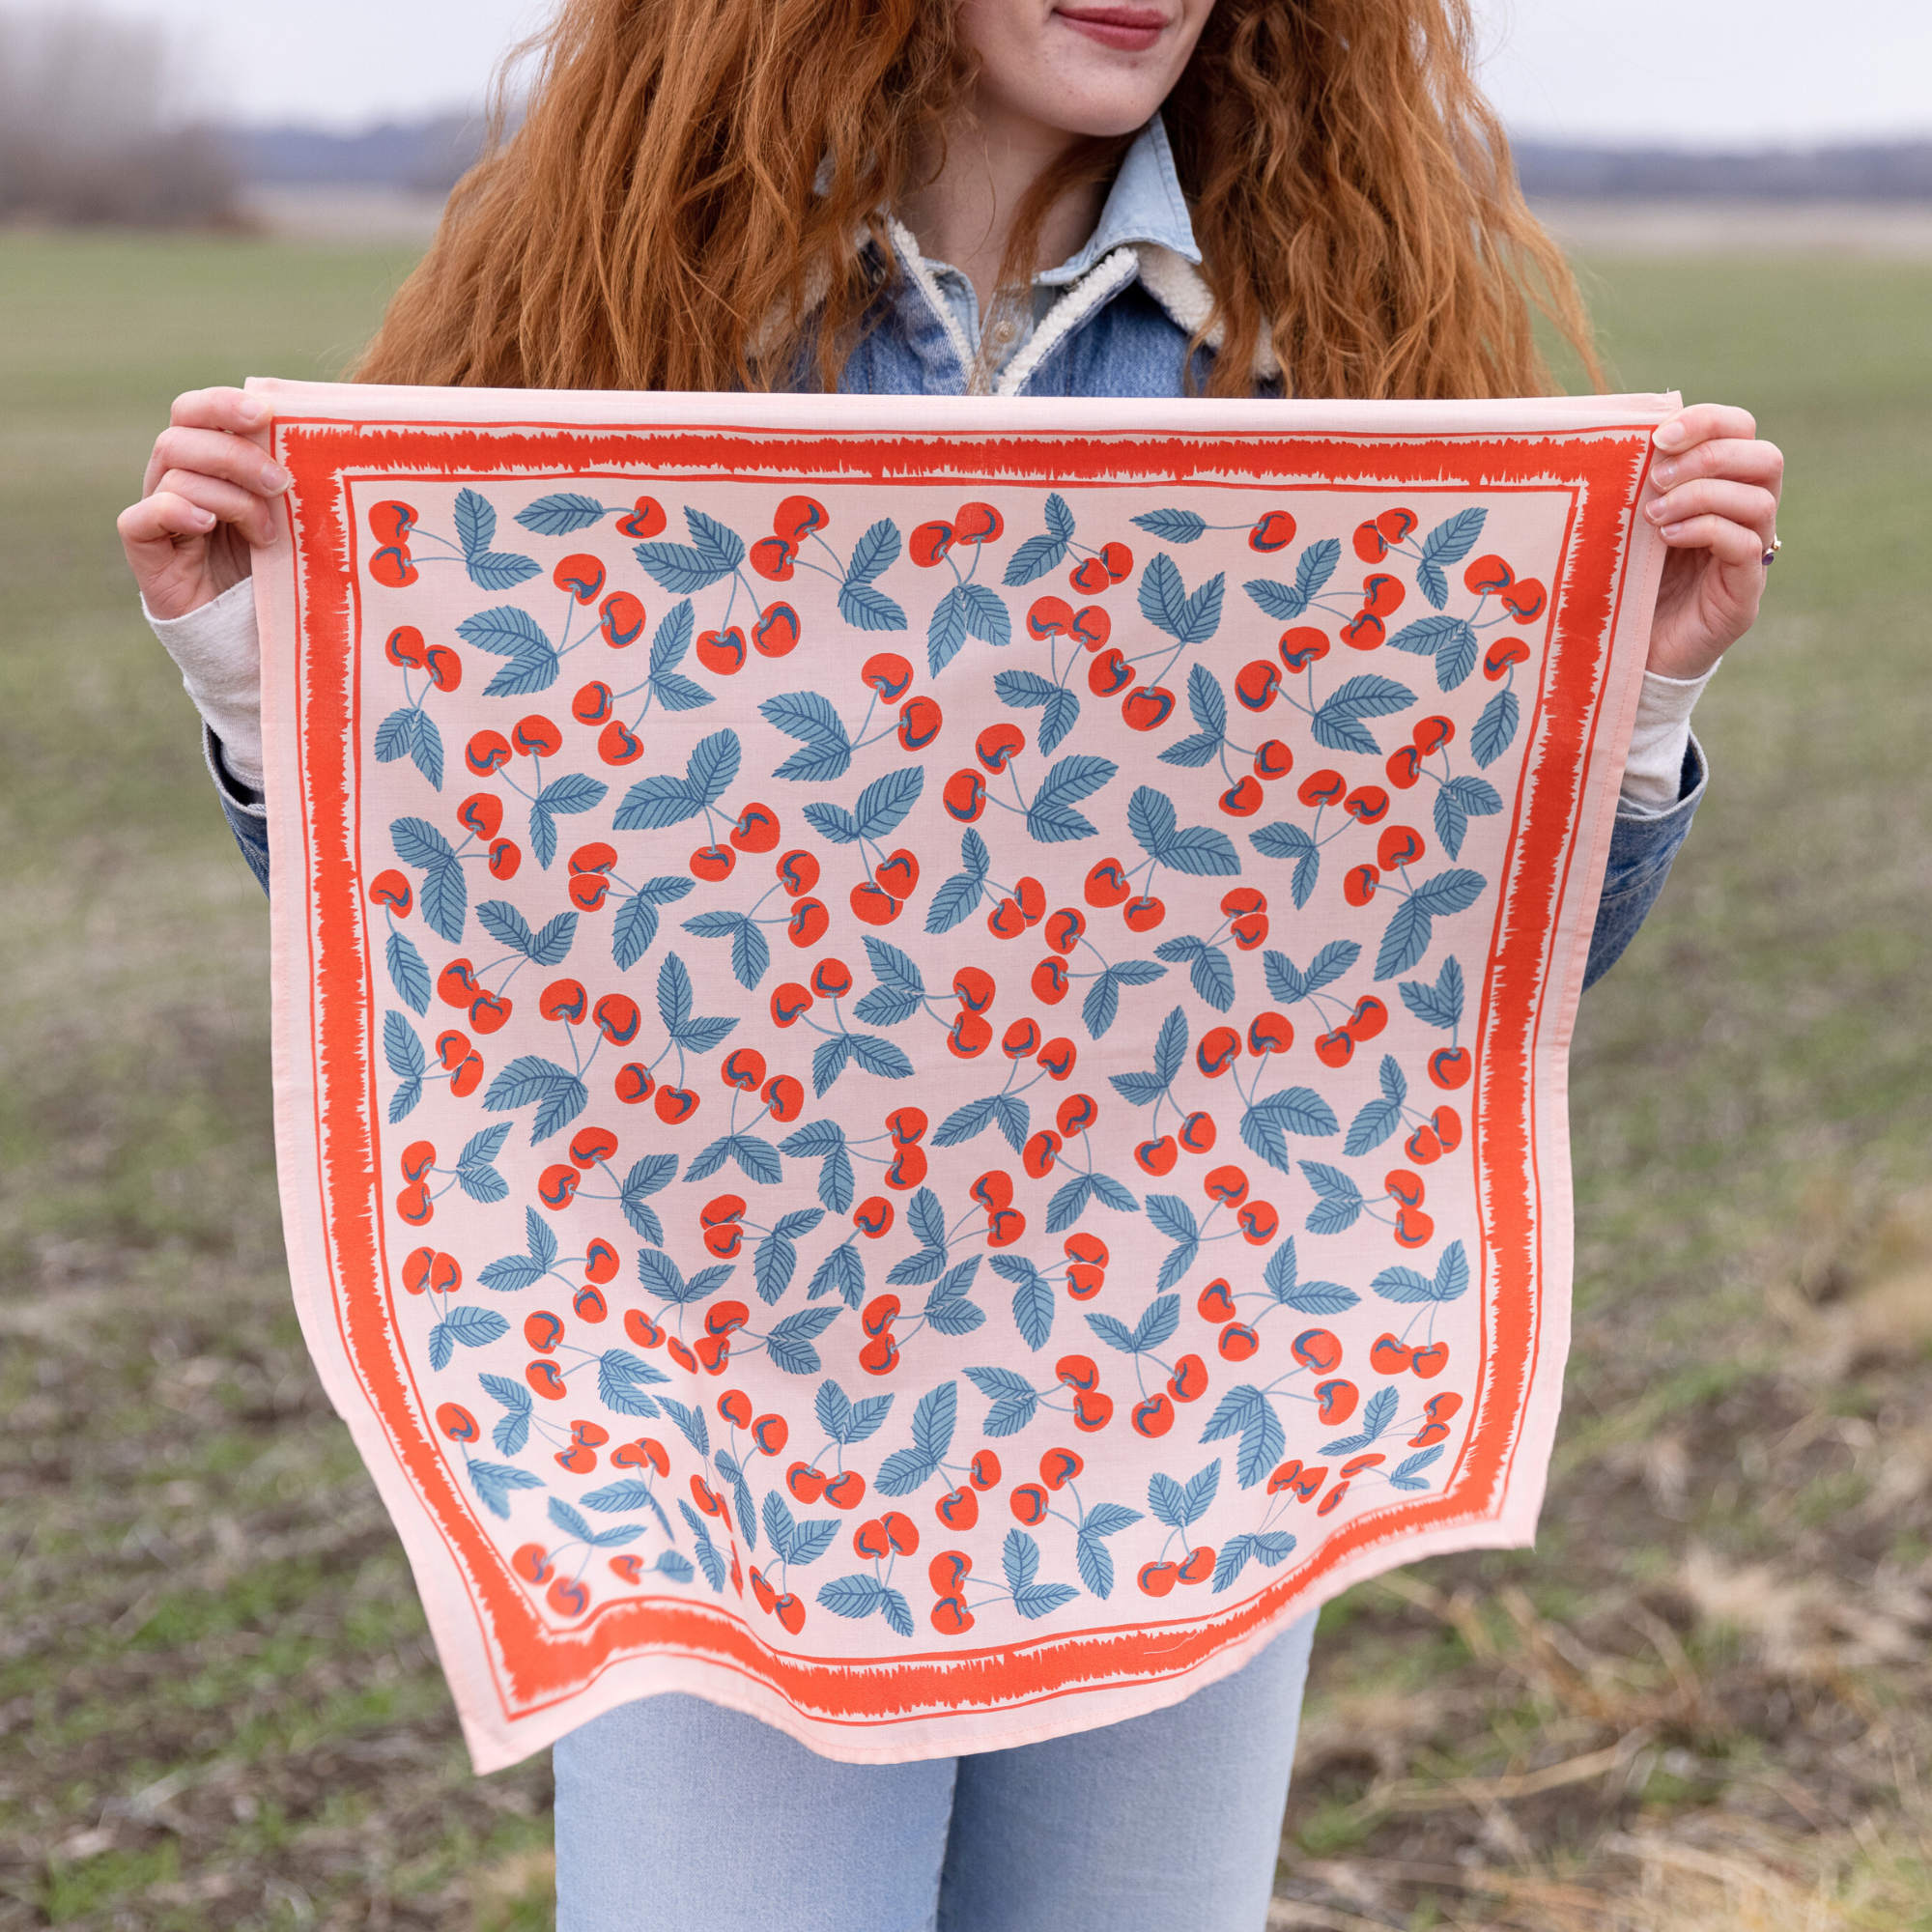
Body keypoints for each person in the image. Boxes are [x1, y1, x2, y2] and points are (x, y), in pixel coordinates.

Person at [117, 3, 1783, 1926]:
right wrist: (266, 677)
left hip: (1180, 1398)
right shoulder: (638, 323)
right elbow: (470, 941)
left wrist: (1632, 701)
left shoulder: (1327, 366)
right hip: (724, 1406)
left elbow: (1432, 1005)